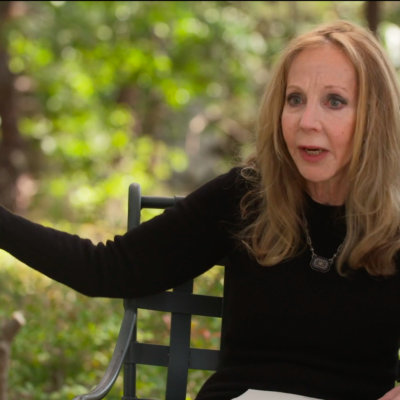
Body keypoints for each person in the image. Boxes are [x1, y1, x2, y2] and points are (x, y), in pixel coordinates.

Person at [0, 19, 400, 400]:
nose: (307, 121)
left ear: (375, 116)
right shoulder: (247, 196)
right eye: (295, 99)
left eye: (335, 101)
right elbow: (108, 268)